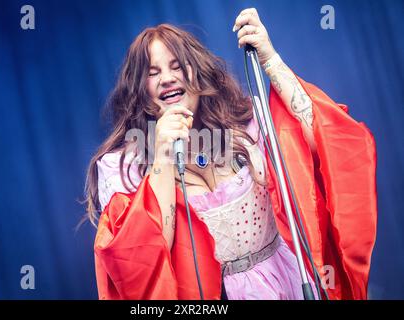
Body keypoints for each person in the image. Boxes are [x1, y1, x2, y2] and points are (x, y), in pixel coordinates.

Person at [85, 8, 377, 300]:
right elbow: (147, 264)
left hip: (288, 283)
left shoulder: (247, 123)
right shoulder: (123, 167)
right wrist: (162, 156)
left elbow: (325, 142)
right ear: (139, 89)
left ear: (197, 71)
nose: (167, 79)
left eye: (177, 66)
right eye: (153, 73)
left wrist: (270, 59)